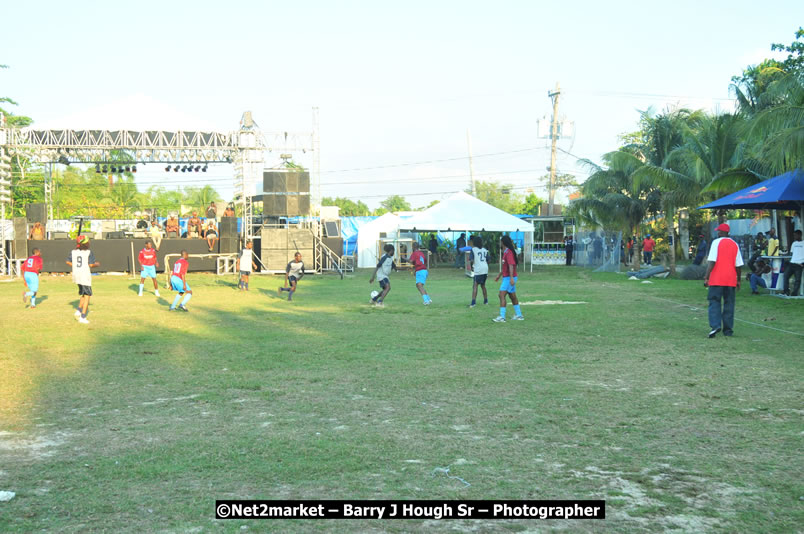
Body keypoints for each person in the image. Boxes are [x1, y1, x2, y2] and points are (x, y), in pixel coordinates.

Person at [703, 223, 743, 338]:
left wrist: (706, 276)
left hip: (717, 279)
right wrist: (738, 279)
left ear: (721, 232)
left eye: (719, 231)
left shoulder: (716, 243)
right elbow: (738, 265)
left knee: (714, 301)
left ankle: (715, 325)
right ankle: (728, 330)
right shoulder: (735, 244)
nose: (718, 233)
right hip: (730, 279)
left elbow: (712, 261)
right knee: (729, 304)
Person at [66, 235, 99, 324]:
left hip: (76, 275)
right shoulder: (88, 252)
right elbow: (91, 264)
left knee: (83, 294)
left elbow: (68, 261)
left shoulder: (73, 252)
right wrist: (97, 264)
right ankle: (83, 317)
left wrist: (75, 266)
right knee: (87, 296)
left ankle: (78, 311)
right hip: (84, 275)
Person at [493, 235, 523, 322]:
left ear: (503, 242)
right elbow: (505, 266)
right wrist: (499, 275)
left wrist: (511, 278)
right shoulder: (506, 252)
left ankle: (502, 317)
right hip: (508, 277)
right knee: (512, 296)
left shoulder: (509, 252)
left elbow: (511, 265)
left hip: (509, 278)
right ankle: (519, 315)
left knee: (501, 295)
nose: (499, 243)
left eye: (500, 242)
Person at [460, 235, 489, 307]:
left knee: (475, 285)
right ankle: (486, 301)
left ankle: (473, 303)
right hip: (485, 269)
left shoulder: (473, 249)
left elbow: (471, 260)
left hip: (478, 269)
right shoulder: (485, 250)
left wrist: (472, 267)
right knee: (483, 285)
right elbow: (488, 260)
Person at [782, 229, 803, 297]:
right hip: (792, 263)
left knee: (797, 280)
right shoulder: (794, 243)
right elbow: (791, 253)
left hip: (799, 264)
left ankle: (794, 293)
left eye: (795, 235)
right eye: (794, 235)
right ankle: (786, 291)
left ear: (800, 235)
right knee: (785, 276)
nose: (794, 237)